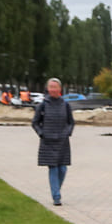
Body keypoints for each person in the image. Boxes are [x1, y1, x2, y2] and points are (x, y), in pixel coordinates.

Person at [32, 77, 75, 206]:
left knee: (63, 169)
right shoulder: (43, 105)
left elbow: (71, 122)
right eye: (51, 87)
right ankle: (56, 196)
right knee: (54, 169)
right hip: (48, 142)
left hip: (62, 142)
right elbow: (35, 123)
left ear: (60, 89)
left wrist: (68, 132)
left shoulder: (65, 105)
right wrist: (42, 133)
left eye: (55, 87)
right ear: (48, 89)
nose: (53, 89)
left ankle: (56, 190)